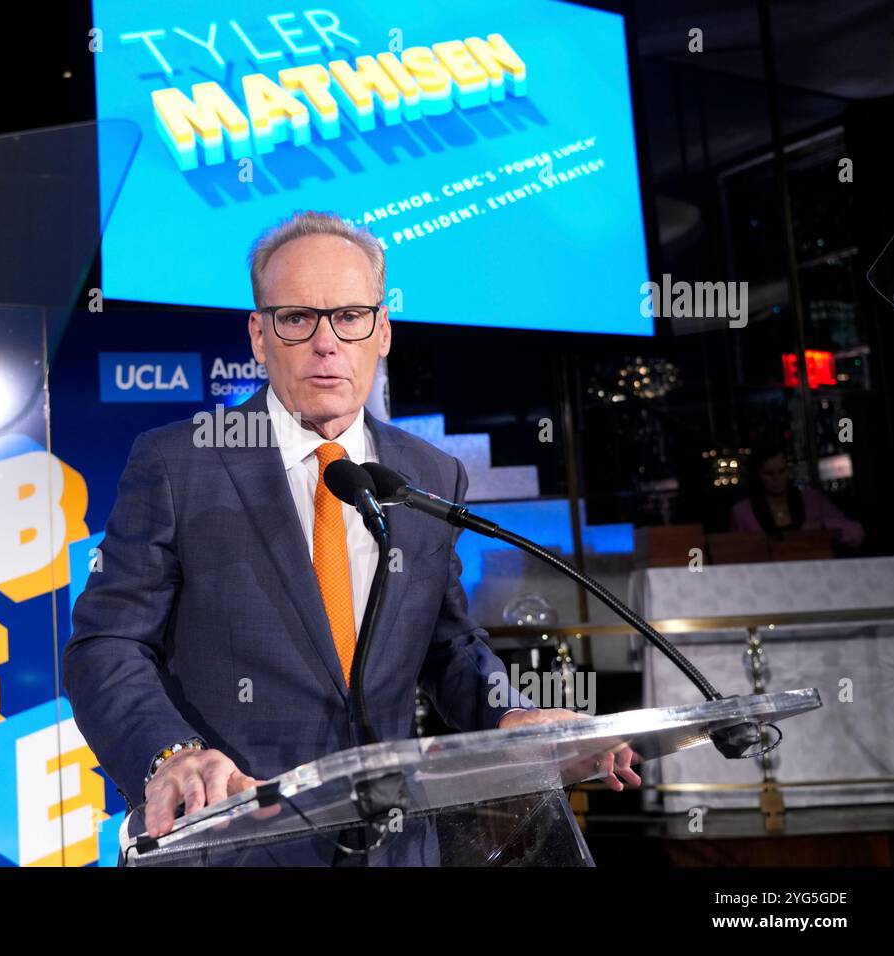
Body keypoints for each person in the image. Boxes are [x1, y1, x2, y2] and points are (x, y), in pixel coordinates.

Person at [63, 211, 639, 863]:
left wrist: (509, 714)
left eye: (350, 316)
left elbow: (447, 644)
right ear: (259, 335)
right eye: (297, 318)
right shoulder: (178, 464)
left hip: (397, 847)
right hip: (233, 843)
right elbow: (106, 644)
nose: (326, 342)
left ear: (382, 330)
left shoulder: (427, 473)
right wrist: (170, 755)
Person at [729, 445, 864, 548]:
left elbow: (856, 532)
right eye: (769, 473)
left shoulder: (811, 499)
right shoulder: (741, 512)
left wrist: (822, 526)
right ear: (758, 475)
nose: (777, 479)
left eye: (782, 471)